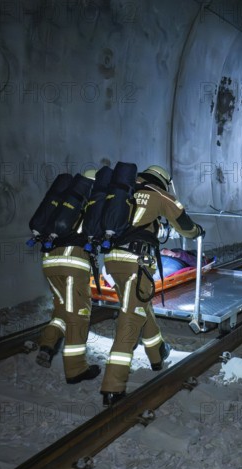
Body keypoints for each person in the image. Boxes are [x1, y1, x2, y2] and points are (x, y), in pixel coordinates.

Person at [101, 164, 205, 406]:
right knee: (131, 318)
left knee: (139, 306)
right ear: (162, 181)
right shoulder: (159, 195)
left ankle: (157, 353)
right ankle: (113, 387)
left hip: (112, 261)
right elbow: (186, 227)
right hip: (135, 262)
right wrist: (198, 231)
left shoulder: (123, 192)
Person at [36, 169, 101, 384]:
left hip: (49, 262)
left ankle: (47, 344)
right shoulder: (91, 201)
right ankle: (76, 370)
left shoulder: (63, 201)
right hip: (72, 263)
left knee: (63, 309)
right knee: (79, 315)